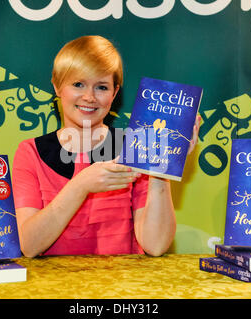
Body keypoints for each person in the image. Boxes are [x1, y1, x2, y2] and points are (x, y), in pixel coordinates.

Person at [12, 35, 201, 257]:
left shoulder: (135, 146)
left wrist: (162, 168)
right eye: (78, 84)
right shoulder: (31, 152)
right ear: (57, 86)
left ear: (114, 92)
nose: (89, 97)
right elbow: (30, 246)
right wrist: (80, 186)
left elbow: (156, 245)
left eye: (101, 87)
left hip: (119, 288)